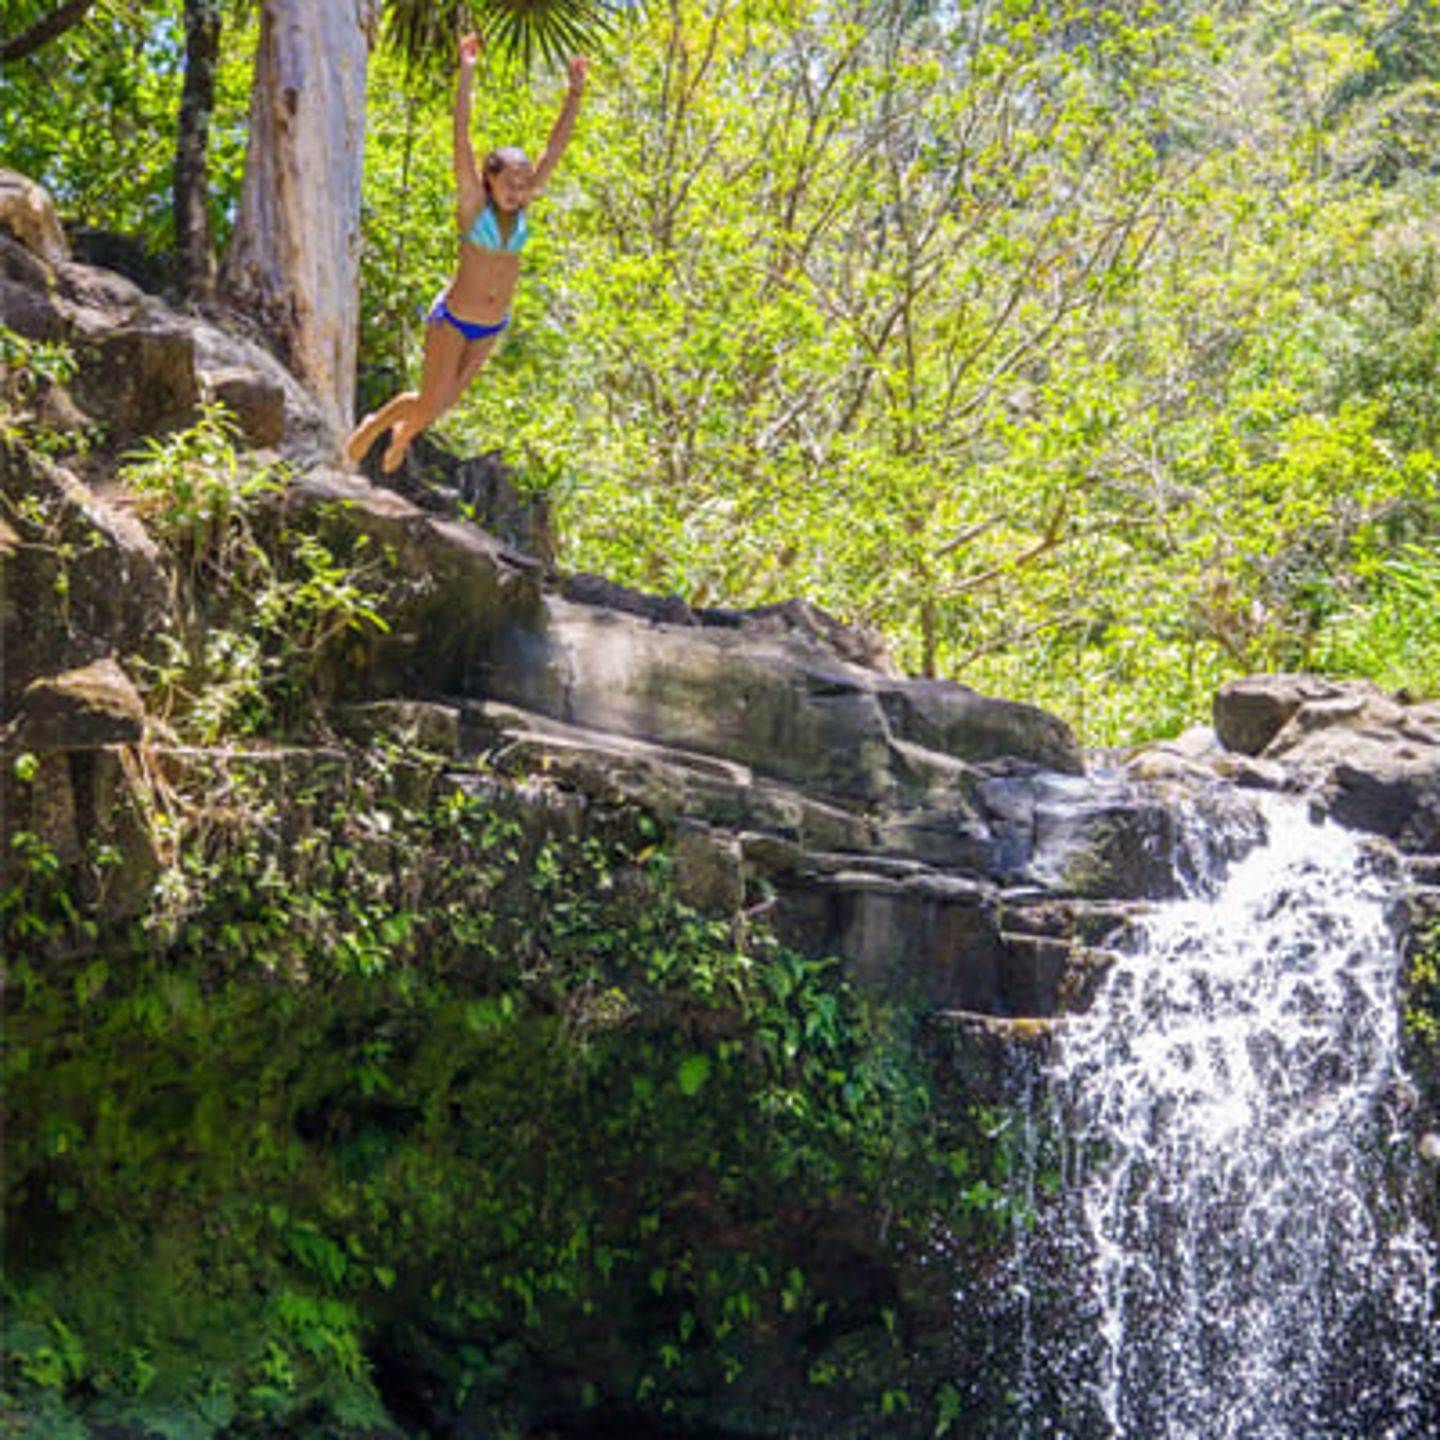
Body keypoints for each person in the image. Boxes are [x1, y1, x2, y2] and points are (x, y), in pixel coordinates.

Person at [345, 34, 588, 473]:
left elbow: (555, 149)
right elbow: (461, 134)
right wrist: (467, 72)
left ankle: (403, 434)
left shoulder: (523, 208)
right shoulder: (474, 209)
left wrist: (573, 94)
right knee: (430, 397)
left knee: (441, 406)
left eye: (524, 182)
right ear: (489, 180)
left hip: (492, 326)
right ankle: (374, 425)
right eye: (510, 182)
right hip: (454, 318)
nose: (518, 190)